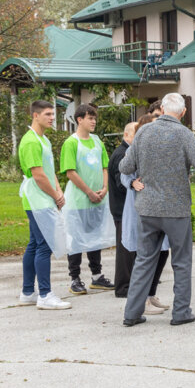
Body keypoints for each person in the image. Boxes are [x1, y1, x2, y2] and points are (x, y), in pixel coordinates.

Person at [118, 92, 195, 327]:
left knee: (144, 260)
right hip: (176, 208)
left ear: (161, 108)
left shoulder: (143, 132)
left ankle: (131, 314)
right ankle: (181, 312)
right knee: (181, 261)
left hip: (147, 208)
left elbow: (125, 165)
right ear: (183, 112)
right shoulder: (185, 134)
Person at [17, 100, 71, 310]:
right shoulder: (31, 141)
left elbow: (50, 170)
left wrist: (58, 192)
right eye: (47, 114)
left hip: (45, 198)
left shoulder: (44, 140)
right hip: (37, 200)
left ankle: (28, 292)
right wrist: (55, 196)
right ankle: (45, 295)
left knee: (34, 244)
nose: (51, 118)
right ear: (35, 116)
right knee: (44, 245)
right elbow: (38, 175)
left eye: (53, 114)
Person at [60, 103, 115, 295]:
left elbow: (105, 167)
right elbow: (70, 172)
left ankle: (97, 276)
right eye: (90, 118)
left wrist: (104, 187)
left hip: (98, 198)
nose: (93, 122)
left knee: (94, 238)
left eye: (95, 118)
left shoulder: (97, 141)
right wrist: (88, 192)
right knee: (76, 239)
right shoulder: (71, 143)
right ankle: (75, 278)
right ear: (79, 120)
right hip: (78, 200)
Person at [120, 115, 171, 316]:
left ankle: (151, 294)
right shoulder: (135, 149)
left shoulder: (163, 149)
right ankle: (141, 300)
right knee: (143, 253)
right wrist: (132, 183)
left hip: (161, 207)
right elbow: (124, 173)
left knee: (163, 250)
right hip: (139, 207)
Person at [108, 121, 136, 298]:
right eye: (135, 133)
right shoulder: (122, 154)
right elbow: (121, 183)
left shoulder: (129, 152)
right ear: (126, 135)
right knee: (125, 249)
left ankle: (131, 282)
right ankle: (123, 287)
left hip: (127, 208)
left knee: (131, 247)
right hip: (122, 209)